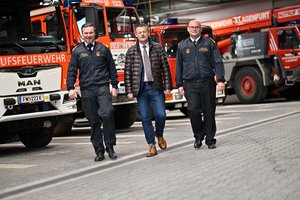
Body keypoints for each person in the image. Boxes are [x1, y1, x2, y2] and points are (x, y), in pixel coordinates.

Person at [67, 23, 118, 161]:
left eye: (91, 32)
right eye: (86, 33)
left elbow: (112, 68)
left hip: (102, 87)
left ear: (95, 33)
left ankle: (110, 147)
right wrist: (70, 88)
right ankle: (99, 151)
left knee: (107, 114)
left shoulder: (103, 49)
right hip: (87, 90)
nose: (89, 35)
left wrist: (114, 86)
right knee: (94, 121)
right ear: (82, 34)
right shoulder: (77, 51)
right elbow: (71, 70)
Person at [176, 20, 225, 149]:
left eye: (197, 27)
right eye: (192, 27)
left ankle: (210, 139)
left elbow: (218, 62)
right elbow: (179, 66)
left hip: (207, 82)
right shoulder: (182, 46)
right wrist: (179, 84)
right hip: (190, 84)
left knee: (209, 111)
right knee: (193, 110)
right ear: (188, 29)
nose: (194, 29)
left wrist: (220, 80)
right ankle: (198, 136)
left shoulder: (209, 44)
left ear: (200, 29)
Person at [125, 24, 172, 157]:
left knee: (161, 115)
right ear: (136, 34)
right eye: (140, 32)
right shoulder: (132, 51)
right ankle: (151, 145)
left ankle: (160, 135)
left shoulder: (157, 48)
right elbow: (128, 72)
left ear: (148, 33)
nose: (142, 34)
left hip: (156, 87)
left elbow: (166, 69)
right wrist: (129, 90)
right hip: (141, 89)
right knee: (145, 117)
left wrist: (168, 86)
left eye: (144, 32)